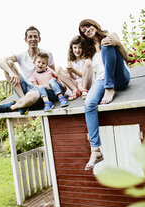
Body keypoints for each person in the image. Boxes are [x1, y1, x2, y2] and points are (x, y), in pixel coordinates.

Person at [78, 19, 130, 170]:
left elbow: (126, 57)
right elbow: (88, 74)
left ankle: (110, 87)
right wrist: (84, 89)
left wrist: (117, 43)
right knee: (89, 104)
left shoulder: (110, 35)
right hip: (101, 79)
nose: (87, 30)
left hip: (119, 76)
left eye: (88, 26)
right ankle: (96, 150)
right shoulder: (88, 52)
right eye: (83, 30)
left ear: (94, 25)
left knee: (106, 44)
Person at [0, 26, 54, 114]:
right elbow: (0, 61)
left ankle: (13, 106)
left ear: (39, 39)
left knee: (33, 96)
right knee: (9, 63)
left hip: (38, 89)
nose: (33, 39)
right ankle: (23, 100)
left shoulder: (46, 54)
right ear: (25, 40)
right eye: (30, 37)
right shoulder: (21, 55)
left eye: (35, 36)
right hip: (24, 88)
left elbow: (53, 72)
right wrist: (11, 73)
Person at [56, 36, 92, 100]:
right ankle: (75, 91)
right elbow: (74, 77)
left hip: (85, 82)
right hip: (75, 84)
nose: (77, 50)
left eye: (80, 48)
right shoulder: (70, 60)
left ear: (83, 48)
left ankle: (84, 90)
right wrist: (70, 72)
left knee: (88, 62)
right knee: (58, 69)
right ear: (71, 48)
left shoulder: (85, 59)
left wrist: (73, 70)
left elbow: (83, 75)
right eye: (75, 48)